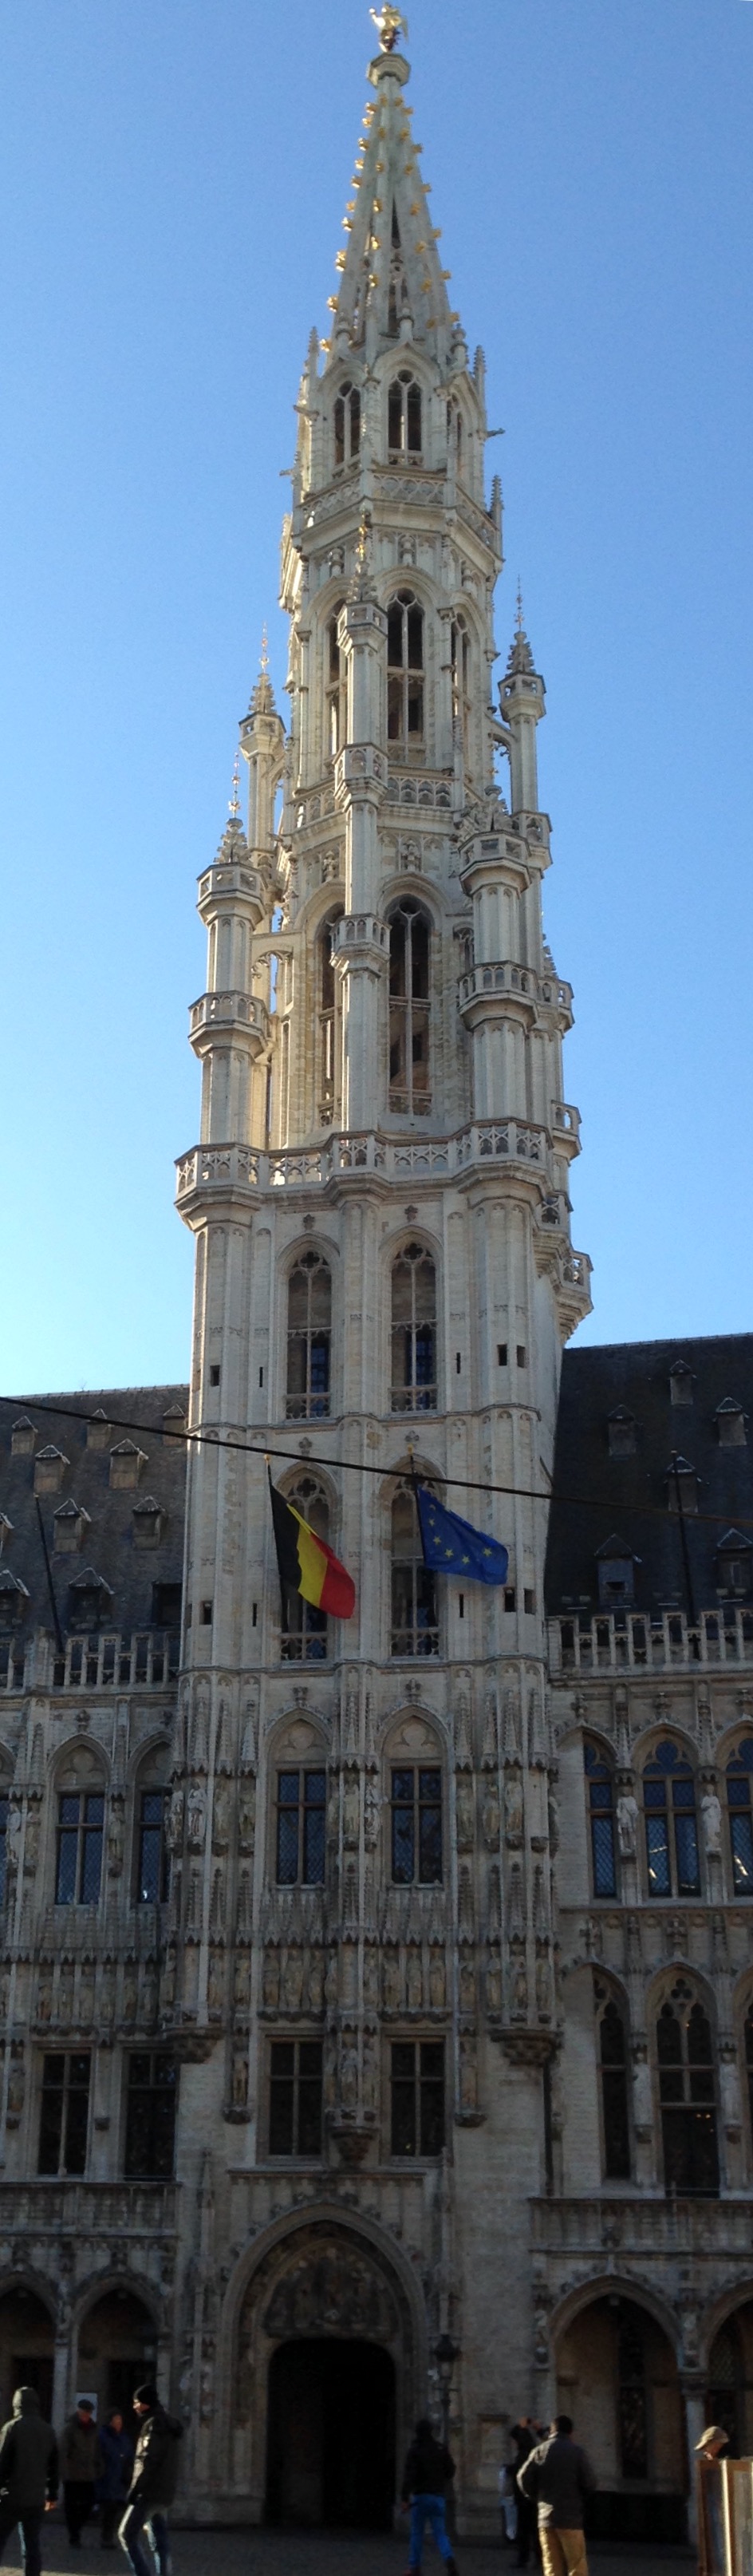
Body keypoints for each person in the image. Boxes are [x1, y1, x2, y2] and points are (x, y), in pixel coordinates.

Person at [517, 2415, 594, 2576]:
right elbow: (590, 2482)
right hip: (571, 2518)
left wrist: (535, 2497)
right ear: (571, 2432)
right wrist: (580, 2498)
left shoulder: (539, 2451)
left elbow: (522, 2477)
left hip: (546, 2519)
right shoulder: (577, 2452)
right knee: (576, 2566)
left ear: (552, 2430)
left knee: (552, 2568)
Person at [118, 2384, 183, 2576]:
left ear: (146, 2403)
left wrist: (136, 2489)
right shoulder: (168, 2424)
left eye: (137, 2402)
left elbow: (148, 2460)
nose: (134, 2407)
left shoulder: (154, 2425)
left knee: (126, 2534)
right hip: (164, 2491)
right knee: (160, 2541)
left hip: (150, 2491)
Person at [0, 2386, 58, 2576]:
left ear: (16, 2404)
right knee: (32, 2546)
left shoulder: (12, 2427)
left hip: (11, 2497)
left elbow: (2, 2462)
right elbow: (54, 2466)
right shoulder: (48, 2430)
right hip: (36, 2499)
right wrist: (53, 2493)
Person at [400, 2416, 459, 2576]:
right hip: (438, 2496)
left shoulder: (415, 2450)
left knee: (417, 2533)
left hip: (421, 2497)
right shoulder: (440, 2448)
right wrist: (440, 2479)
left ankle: (414, 2567)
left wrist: (405, 2498)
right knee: (440, 2533)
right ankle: (449, 2558)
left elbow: (409, 2476)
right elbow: (451, 2470)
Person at [59, 2398, 99, 2547]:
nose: (87, 2415)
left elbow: (97, 2450)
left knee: (89, 2504)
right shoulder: (70, 2428)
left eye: (89, 2412)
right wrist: (64, 2473)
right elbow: (63, 2451)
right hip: (73, 2474)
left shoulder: (93, 2428)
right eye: (84, 2412)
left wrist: (98, 2467)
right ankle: (74, 2535)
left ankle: (77, 2528)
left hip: (88, 2474)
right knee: (72, 2507)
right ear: (79, 2411)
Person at [97, 2412, 133, 2549]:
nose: (119, 2424)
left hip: (120, 2480)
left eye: (120, 2421)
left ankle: (111, 2537)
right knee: (108, 2510)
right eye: (116, 2421)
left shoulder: (124, 2438)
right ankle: (106, 2538)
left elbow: (130, 2455)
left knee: (116, 2510)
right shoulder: (102, 2436)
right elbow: (98, 2455)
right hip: (106, 2479)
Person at [508, 2419, 539, 2569]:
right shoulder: (534, 2454)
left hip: (524, 2498)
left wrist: (522, 2425)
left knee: (525, 2531)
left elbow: (519, 2474)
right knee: (535, 2530)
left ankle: (524, 2559)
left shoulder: (522, 2456)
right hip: (534, 2499)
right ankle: (539, 2559)